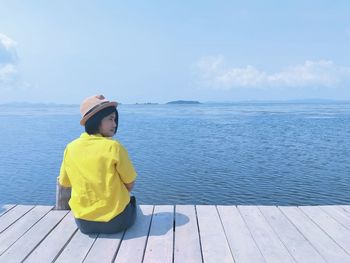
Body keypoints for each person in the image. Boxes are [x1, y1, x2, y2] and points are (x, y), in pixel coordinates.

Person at [57, 94, 137, 234]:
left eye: (115, 119)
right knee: (133, 202)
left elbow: (64, 182)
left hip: (83, 223)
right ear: (96, 120)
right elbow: (130, 183)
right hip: (117, 221)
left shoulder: (71, 147)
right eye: (110, 119)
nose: (115, 124)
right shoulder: (114, 147)